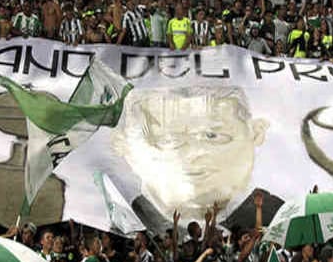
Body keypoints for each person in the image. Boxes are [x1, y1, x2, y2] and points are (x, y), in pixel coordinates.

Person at [110, 86, 279, 232]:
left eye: (212, 135)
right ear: (124, 145)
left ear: (256, 133)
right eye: (168, 140)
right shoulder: (122, 223)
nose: (192, 153)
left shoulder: (278, 217)